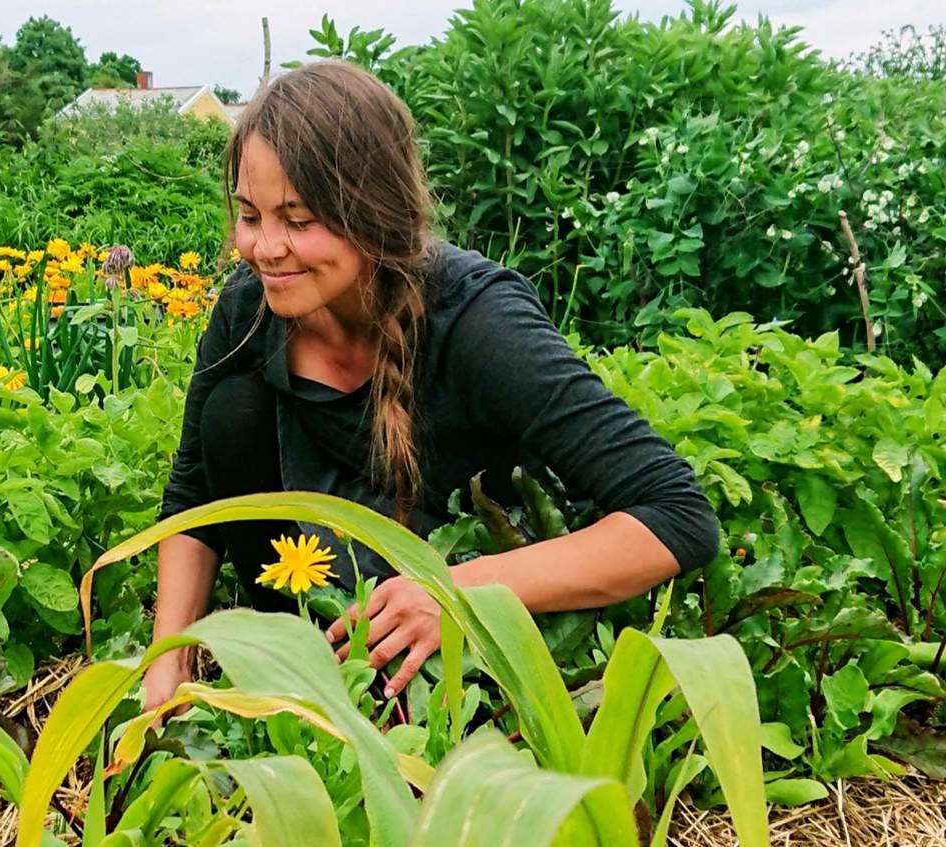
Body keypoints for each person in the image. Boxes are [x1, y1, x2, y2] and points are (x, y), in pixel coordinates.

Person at [141, 60, 720, 712]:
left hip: (456, 569)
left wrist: (453, 590)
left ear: (374, 208)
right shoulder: (251, 306)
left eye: (298, 220)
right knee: (232, 410)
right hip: (315, 575)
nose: (265, 247)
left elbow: (677, 516)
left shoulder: (478, 322)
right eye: (250, 215)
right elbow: (193, 497)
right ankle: (296, 664)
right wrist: (169, 658)